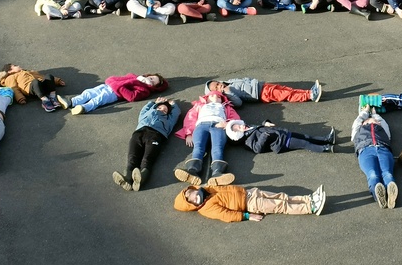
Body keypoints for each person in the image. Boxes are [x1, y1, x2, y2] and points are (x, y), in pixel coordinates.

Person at [112, 96, 181, 192]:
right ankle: (127, 178)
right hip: (138, 134)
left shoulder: (169, 120)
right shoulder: (146, 114)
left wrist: (172, 103)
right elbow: (145, 109)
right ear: (156, 107)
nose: (162, 110)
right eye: (160, 107)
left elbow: (176, 112)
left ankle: (141, 178)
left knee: (147, 159)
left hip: (155, 135)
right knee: (132, 157)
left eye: (165, 110)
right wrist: (153, 102)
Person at [174, 91, 241, 186]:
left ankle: (217, 173)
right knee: (198, 147)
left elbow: (235, 118)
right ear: (206, 98)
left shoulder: (226, 107)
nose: (216, 97)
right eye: (212, 95)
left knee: (218, 148)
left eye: (219, 97)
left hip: (218, 125)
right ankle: (192, 170)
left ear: (222, 100)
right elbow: (190, 118)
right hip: (201, 125)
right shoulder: (199, 106)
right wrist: (189, 133)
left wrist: (227, 124)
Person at [174, 183, 327, 221]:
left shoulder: (208, 189)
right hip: (250, 205)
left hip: (249, 192)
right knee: (280, 206)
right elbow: (226, 215)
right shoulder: (206, 209)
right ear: (192, 206)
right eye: (194, 199)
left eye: (195, 193)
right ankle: (311, 208)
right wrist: (247, 216)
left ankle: (308, 198)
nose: (197, 196)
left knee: (281, 196)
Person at [351, 104, 398, 208]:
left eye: (376, 121)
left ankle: (391, 193)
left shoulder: (382, 129)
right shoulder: (358, 130)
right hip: (365, 151)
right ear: (363, 123)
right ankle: (379, 196)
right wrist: (365, 111)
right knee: (373, 174)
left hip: (383, 149)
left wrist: (374, 114)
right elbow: (357, 121)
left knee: (387, 173)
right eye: (368, 121)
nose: (373, 121)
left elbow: (383, 122)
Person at [58, 73, 168, 115]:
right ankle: (72, 102)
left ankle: (84, 108)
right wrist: (113, 82)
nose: (149, 79)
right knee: (88, 92)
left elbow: (131, 96)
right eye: (151, 78)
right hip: (107, 86)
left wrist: (118, 87)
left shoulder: (144, 90)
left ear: (153, 87)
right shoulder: (134, 77)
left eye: (153, 81)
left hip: (115, 94)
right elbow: (116, 79)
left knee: (99, 99)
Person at [225, 119, 336, 154]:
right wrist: (264, 136)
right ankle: (325, 148)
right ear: (237, 134)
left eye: (239, 125)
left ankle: (327, 139)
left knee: (306, 137)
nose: (241, 126)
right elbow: (257, 149)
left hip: (282, 134)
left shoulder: (250, 127)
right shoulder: (247, 141)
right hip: (280, 142)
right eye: (238, 128)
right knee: (304, 143)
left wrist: (265, 123)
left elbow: (261, 127)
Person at [0, 64, 65, 112]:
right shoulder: (10, 77)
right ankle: (45, 100)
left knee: (49, 76)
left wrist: (57, 81)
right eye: (15, 66)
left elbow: (41, 76)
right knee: (36, 82)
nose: (18, 66)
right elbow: (14, 88)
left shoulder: (27, 72)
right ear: (10, 71)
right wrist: (20, 98)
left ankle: (52, 97)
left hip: (41, 85)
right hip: (30, 89)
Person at [204, 78, 322, 107]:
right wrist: (229, 92)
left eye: (218, 83)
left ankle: (308, 92)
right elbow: (238, 103)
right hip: (261, 94)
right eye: (217, 87)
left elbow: (243, 80)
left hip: (261, 85)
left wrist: (251, 80)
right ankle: (311, 95)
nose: (220, 85)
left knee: (286, 89)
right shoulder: (228, 94)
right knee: (285, 94)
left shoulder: (228, 81)